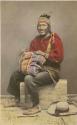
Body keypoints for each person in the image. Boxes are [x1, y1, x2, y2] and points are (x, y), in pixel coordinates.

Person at [7, 14, 64, 114]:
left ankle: (36, 105)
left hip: (51, 71)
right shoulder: (35, 40)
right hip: (36, 68)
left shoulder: (54, 38)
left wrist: (45, 55)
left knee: (29, 78)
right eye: (39, 26)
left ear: (48, 27)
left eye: (43, 25)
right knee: (16, 74)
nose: (41, 28)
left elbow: (59, 58)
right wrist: (25, 53)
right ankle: (17, 99)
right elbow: (32, 56)